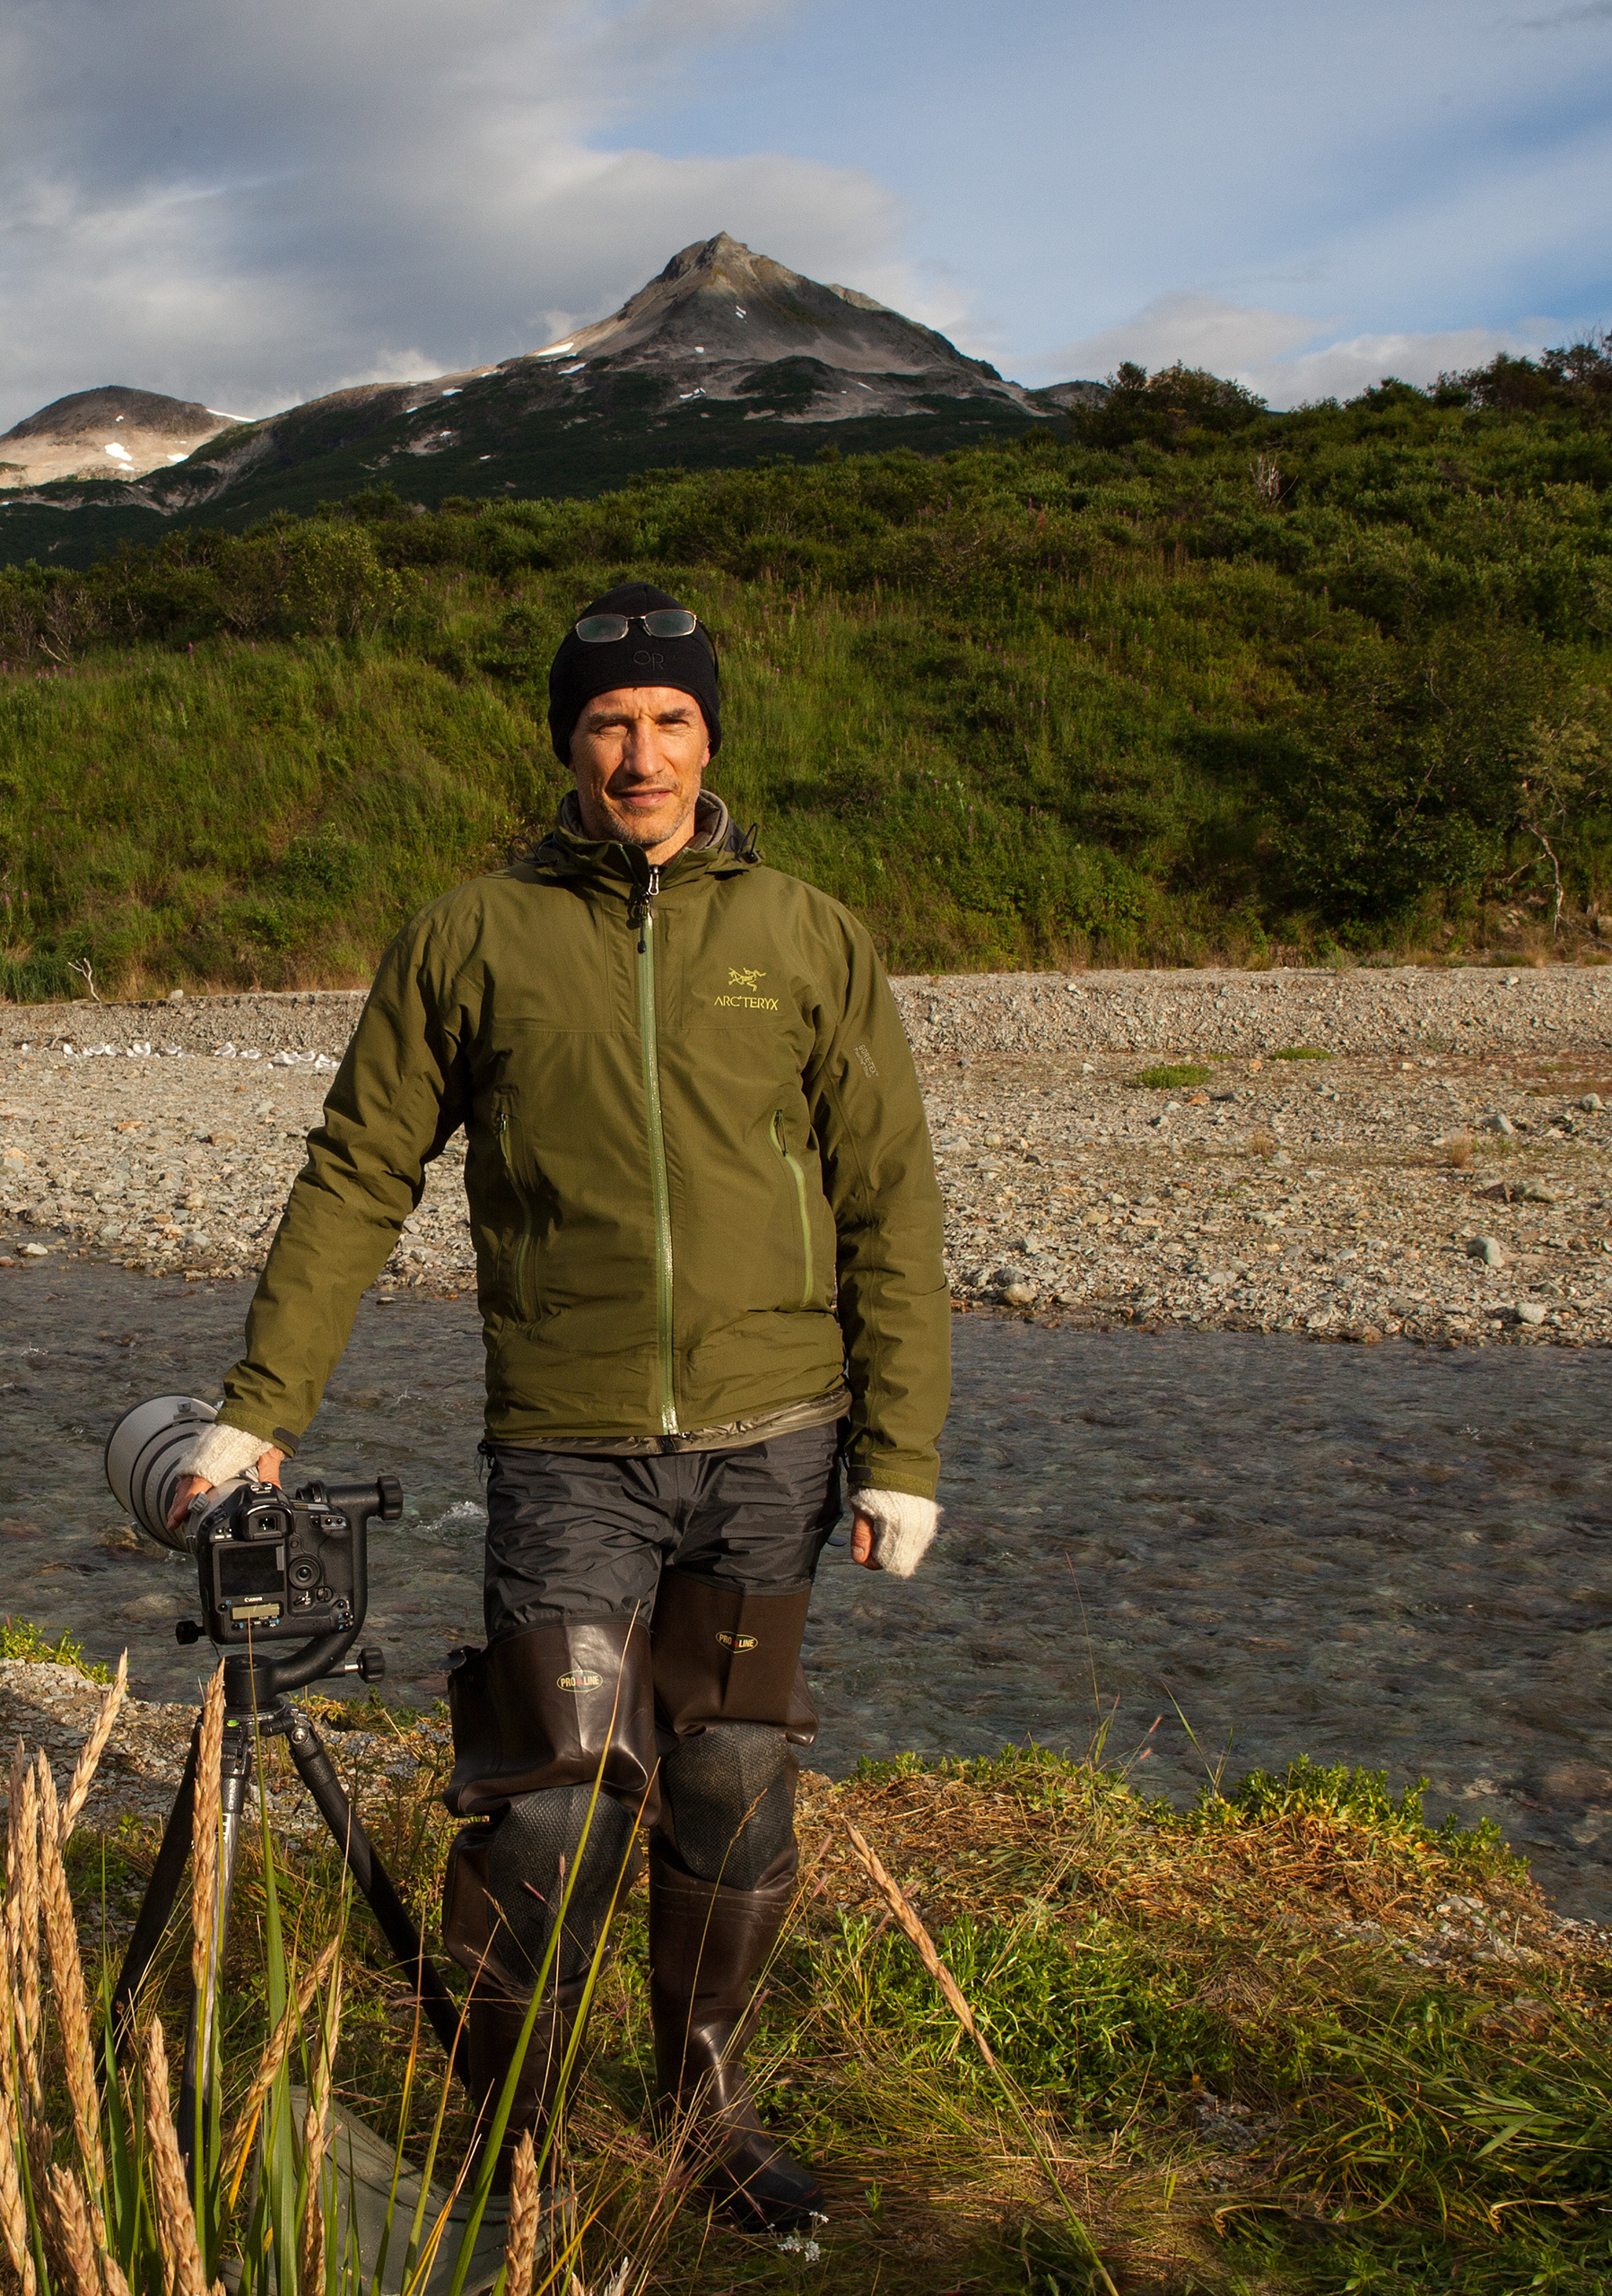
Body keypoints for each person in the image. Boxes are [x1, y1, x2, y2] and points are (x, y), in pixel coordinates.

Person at [161, 580, 950, 2230]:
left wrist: (901, 1450)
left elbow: (889, 1194)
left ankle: (702, 2100)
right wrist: (265, 1401)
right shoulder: (471, 936)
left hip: (774, 1440)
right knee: (550, 1800)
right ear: (565, 746)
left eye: (668, 721)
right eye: (607, 722)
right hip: (568, 1445)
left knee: (731, 1780)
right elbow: (358, 1168)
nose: (638, 754)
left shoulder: (805, 934)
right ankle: (505, 2123)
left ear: (710, 738)